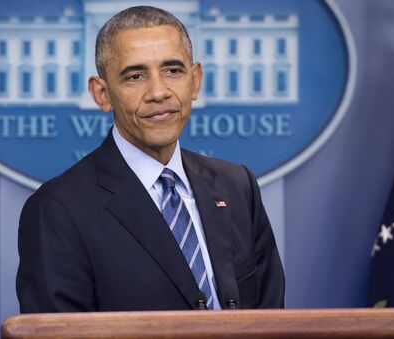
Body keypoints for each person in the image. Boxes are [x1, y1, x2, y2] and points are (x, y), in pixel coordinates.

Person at [16, 6, 284, 312]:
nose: (158, 92)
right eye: (135, 76)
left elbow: (270, 318)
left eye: (173, 71)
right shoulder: (57, 209)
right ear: (101, 94)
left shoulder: (238, 187)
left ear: (195, 80)